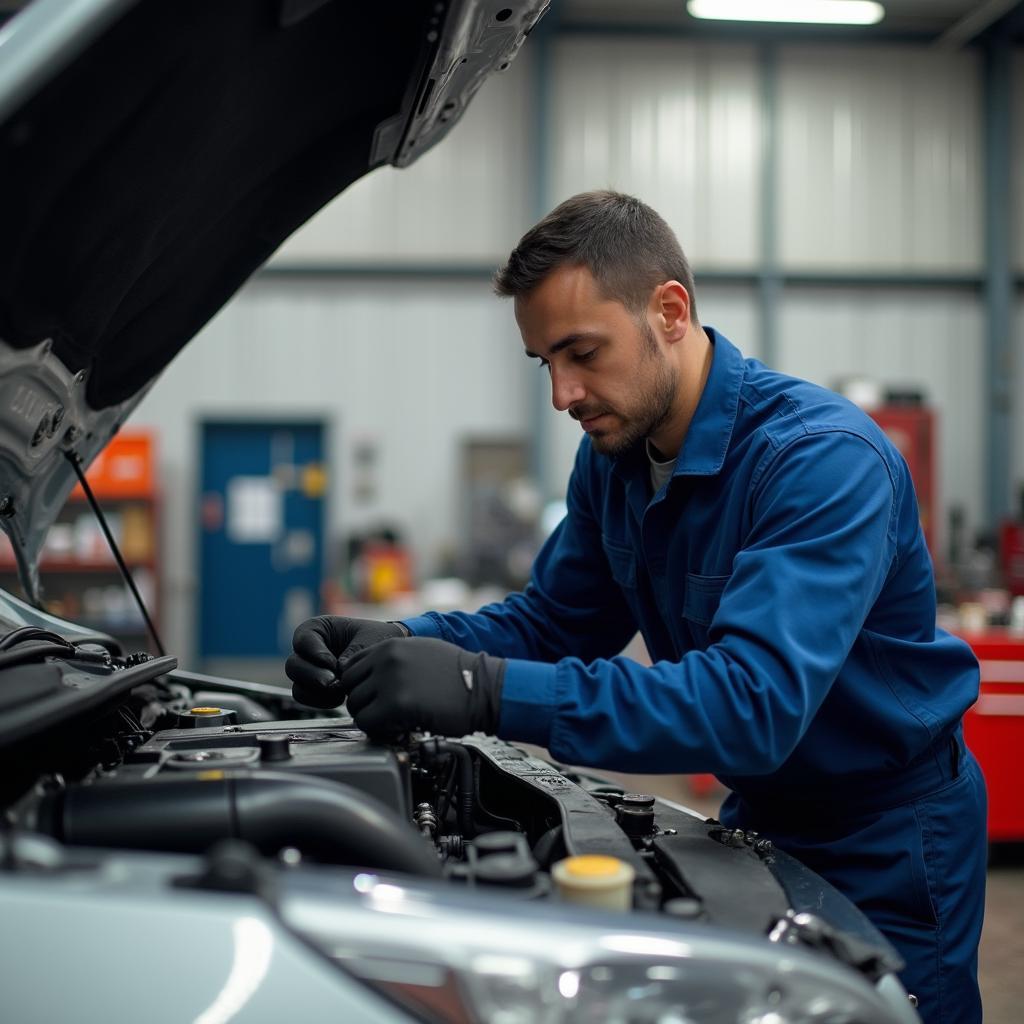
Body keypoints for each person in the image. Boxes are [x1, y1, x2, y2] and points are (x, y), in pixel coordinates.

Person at [286, 190, 986, 1022]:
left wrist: (482, 690)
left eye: (582, 352)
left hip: (889, 838)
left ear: (670, 310)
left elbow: (749, 705)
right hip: (763, 813)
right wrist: (399, 640)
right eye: (545, 361)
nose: (562, 394)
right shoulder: (614, 463)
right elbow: (552, 624)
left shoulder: (820, 461)